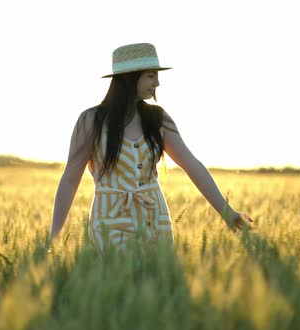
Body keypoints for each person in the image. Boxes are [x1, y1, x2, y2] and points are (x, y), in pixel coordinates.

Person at [48, 43, 253, 255]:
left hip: (155, 218)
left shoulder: (158, 118)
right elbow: (71, 178)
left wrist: (227, 212)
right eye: (151, 76)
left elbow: (192, 165)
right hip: (109, 219)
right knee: (118, 282)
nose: (157, 82)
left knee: (156, 283)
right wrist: (54, 236)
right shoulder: (91, 120)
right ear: (130, 77)